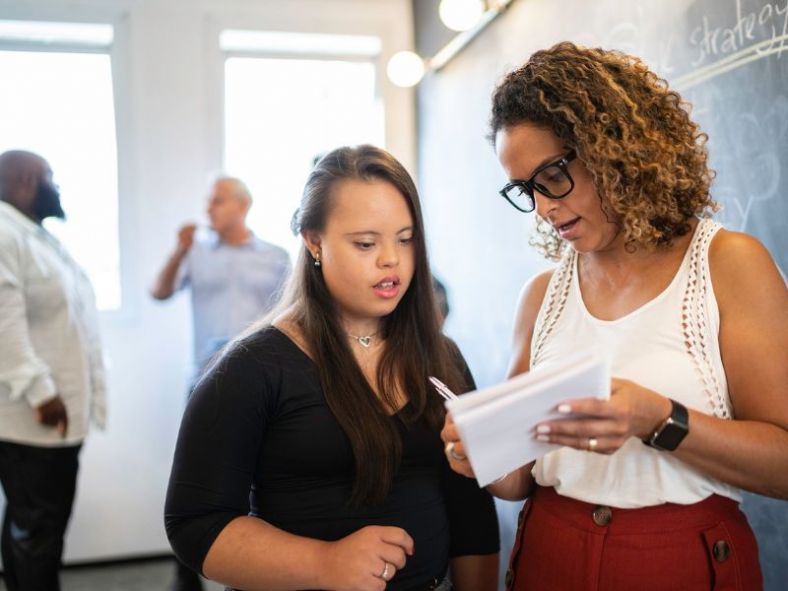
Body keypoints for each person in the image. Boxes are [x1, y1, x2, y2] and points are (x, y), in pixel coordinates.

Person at [441, 42, 788, 591]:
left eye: (553, 176)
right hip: (547, 557)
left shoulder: (727, 266)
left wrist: (660, 419)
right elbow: (518, 479)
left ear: (613, 149)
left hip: (684, 562)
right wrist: (477, 451)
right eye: (524, 189)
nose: (544, 207)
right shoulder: (541, 295)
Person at [165, 145, 499, 591]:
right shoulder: (250, 369)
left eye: (405, 239)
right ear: (314, 240)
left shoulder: (442, 356)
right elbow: (195, 525)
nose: (391, 260)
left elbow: (470, 509)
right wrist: (324, 562)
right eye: (366, 243)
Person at [0, 150, 107, 591]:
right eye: (52, 178)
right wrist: (41, 392)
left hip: (53, 417)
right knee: (37, 531)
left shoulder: (35, 237)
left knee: (35, 527)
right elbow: (3, 324)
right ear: (27, 179)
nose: (57, 187)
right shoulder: (5, 234)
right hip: (32, 419)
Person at [151, 175, 291, 378]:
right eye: (207, 202)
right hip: (204, 373)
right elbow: (159, 293)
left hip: (260, 373)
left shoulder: (276, 257)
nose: (208, 210)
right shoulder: (195, 252)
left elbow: (290, 314)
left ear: (242, 205)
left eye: (217, 201)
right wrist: (179, 251)